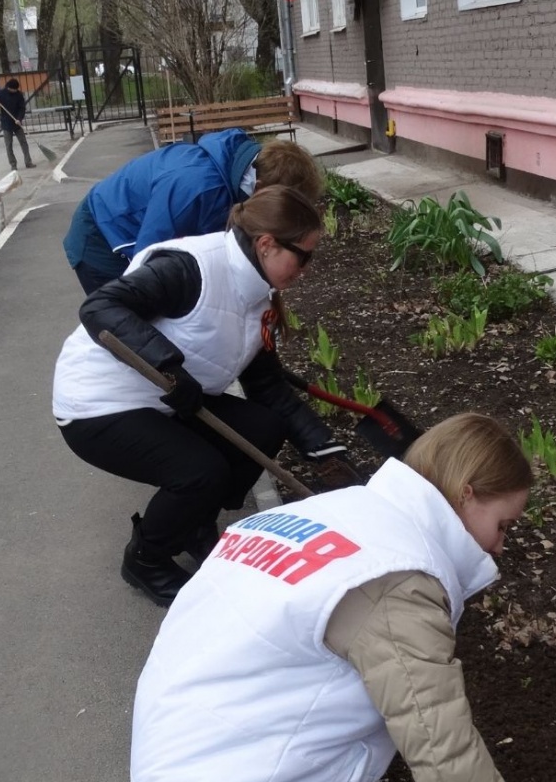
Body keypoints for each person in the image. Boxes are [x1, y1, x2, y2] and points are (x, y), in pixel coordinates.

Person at [129, 413, 538, 782]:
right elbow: (448, 761)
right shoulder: (396, 582)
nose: (499, 547)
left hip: (187, 777)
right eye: (502, 525)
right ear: (466, 494)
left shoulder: (340, 514)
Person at [51, 185, 349, 605]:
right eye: (304, 255)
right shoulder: (191, 269)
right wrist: (167, 366)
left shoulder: (258, 293)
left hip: (165, 397)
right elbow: (101, 307)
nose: (307, 268)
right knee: (199, 471)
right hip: (98, 404)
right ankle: (146, 559)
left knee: (265, 427)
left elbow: (266, 387)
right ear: (266, 244)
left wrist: (324, 450)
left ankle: (193, 523)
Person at [62, 129, 323, 293]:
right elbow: (146, 260)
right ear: (261, 187)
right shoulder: (196, 190)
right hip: (101, 239)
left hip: (130, 228)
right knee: (134, 327)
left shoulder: (239, 169)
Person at [0, 77, 32, 168]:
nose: (15, 91)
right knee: (9, 145)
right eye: (14, 89)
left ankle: (28, 162)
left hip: (17, 123)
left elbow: (22, 108)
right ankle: (13, 164)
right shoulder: (0, 94)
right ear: (9, 87)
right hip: (6, 123)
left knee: (23, 142)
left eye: (16, 89)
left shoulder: (19, 95)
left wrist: (19, 119)